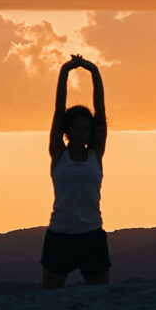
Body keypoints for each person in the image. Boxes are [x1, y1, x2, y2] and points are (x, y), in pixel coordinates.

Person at [42, 54, 109, 289]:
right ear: (67, 131)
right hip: (60, 234)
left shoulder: (95, 154)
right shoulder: (59, 154)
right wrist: (65, 71)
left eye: (86, 128)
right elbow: (59, 111)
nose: (82, 132)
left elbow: (100, 113)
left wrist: (93, 71)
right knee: (50, 298)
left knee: (100, 296)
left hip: (92, 233)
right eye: (77, 128)